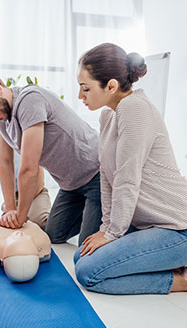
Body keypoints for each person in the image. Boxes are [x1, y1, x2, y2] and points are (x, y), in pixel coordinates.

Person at [73, 42, 187, 295]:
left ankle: (182, 281)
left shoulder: (134, 108)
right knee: (81, 257)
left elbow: (127, 177)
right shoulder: (108, 116)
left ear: (111, 86)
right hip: (150, 224)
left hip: (177, 227)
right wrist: (106, 229)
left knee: (88, 273)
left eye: (85, 88)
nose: (80, 95)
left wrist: (113, 234)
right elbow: (107, 178)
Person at [0, 69, 102, 245]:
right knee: (53, 235)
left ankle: (114, 215)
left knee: (85, 247)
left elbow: (29, 168)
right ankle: (93, 212)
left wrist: (20, 216)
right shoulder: (1, 119)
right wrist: (9, 209)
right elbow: (5, 163)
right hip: (70, 184)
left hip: (96, 173)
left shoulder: (29, 100)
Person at [0, 119, 51, 230]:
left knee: (40, 223)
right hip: (13, 197)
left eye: (0, 130)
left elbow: (39, 181)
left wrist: (24, 210)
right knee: (12, 223)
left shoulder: (25, 144)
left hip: (36, 193)